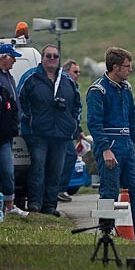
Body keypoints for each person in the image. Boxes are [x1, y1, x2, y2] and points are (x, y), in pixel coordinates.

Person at [86, 47, 135, 244]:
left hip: (127, 145)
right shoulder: (98, 91)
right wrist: (105, 149)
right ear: (115, 67)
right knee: (109, 192)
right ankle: (105, 233)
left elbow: (132, 118)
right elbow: (94, 123)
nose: (130, 70)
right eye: (127, 66)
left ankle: (132, 232)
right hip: (109, 144)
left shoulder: (126, 89)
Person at [17, 45, 81, 216]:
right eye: (48, 56)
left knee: (55, 171)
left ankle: (50, 206)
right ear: (42, 58)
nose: (51, 59)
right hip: (37, 133)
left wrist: (73, 124)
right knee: (38, 168)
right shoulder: (30, 77)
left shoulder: (67, 81)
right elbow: (19, 100)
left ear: (59, 59)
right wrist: (29, 119)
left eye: (55, 56)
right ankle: (35, 203)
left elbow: (77, 105)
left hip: (60, 134)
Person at [0, 58, 27, 217]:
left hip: (3, 141)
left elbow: (13, 110)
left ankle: (10, 205)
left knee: (7, 172)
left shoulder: (3, 92)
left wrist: (12, 128)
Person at [58, 60, 84, 202]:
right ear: (66, 71)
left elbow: (76, 111)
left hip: (71, 129)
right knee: (69, 156)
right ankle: (59, 188)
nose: (78, 75)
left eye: (79, 72)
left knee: (69, 156)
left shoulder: (73, 86)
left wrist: (78, 130)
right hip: (62, 130)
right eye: (75, 72)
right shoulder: (63, 85)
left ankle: (60, 188)